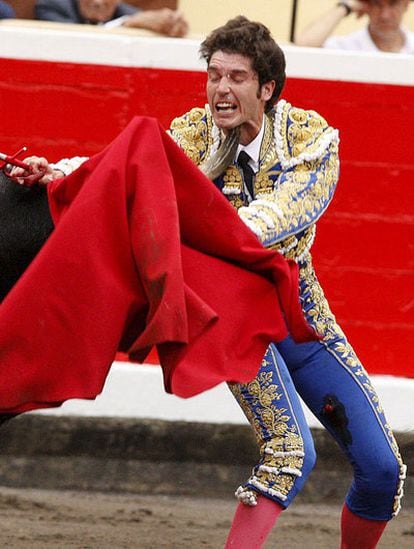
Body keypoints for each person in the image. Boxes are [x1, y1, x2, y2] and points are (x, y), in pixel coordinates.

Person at [9, 16, 407, 549]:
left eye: (236, 77)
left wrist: (198, 219)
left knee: (383, 471)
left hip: (301, 314)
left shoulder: (311, 141)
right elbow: (123, 175)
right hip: (234, 312)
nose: (220, 89)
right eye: (214, 74)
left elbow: (271, 219)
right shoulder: (195, 133)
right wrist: (60, 172)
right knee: (289, 451)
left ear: (268, 88)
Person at [295, 0, 414, 53]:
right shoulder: (347, 47)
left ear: (406, 4)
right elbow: (303, 45)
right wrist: (346, 6)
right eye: (377, 4)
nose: (385, 15)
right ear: (365, 4)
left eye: (393, 3)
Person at [35, 0, 188, 37]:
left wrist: (173, 24)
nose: (98, 2)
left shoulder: (124, 11)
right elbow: (79, 41)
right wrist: (127, 24)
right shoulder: (51, 6)